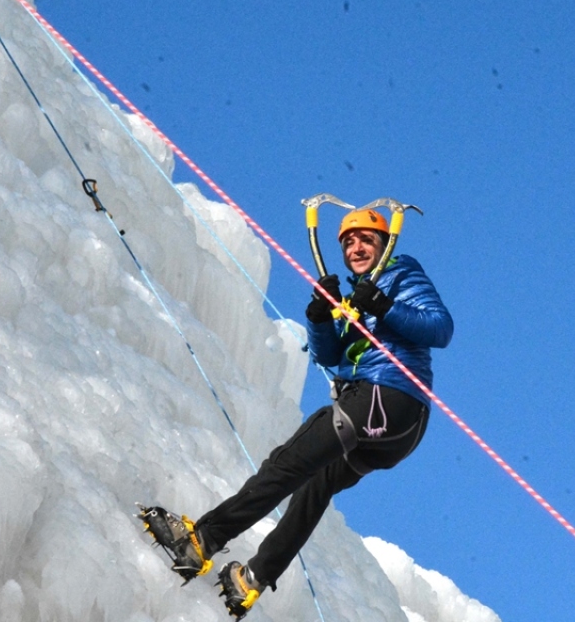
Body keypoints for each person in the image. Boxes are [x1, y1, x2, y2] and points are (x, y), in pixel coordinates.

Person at [140, 207, 453, 618]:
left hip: (386, 397)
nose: (356, 247)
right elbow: (330, 355)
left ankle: (202, 541)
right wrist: (321, 318)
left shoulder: (400, 272)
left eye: (366, 240)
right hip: (396, 429)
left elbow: (439, 327)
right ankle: (250, 579)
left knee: (288, 463)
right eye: (349, 242)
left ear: (383, 245)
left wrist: (382, 304)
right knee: (316, 483)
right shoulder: (356, 297)